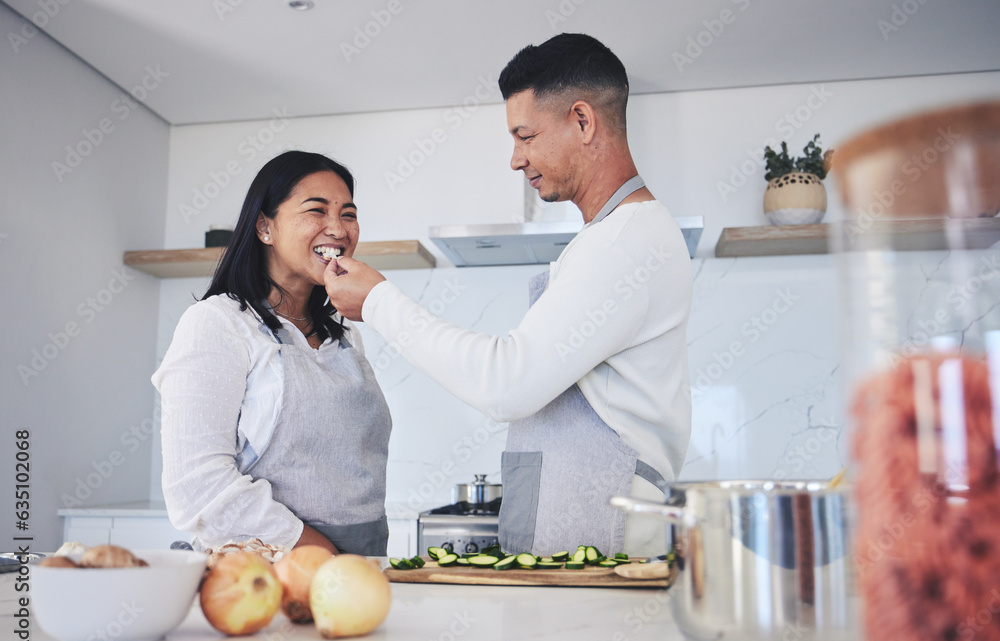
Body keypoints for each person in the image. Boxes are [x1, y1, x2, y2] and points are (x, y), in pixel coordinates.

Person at [325, 34, 693, 557]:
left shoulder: (625, 240)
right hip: (588, 532)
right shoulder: (613, 237)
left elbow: (507, 382)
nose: (515, 159)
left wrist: (380, 302)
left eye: (525, 135)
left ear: (583, 121)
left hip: (605, 542)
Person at [153, 151, 392, 556]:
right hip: (266, 572)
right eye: (317, 210)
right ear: (265, 227)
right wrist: (319, 557)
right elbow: (197, 486)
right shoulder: (218, 324)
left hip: (360, 566)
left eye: (348, 214)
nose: (337, 228)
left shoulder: (346, 332)